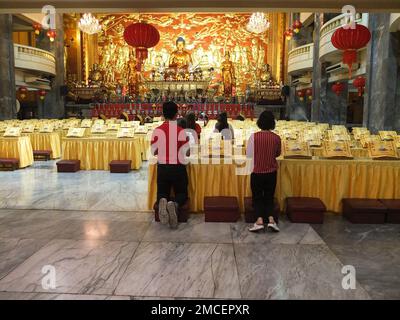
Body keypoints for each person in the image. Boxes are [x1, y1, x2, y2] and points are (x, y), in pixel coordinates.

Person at [151, 101, 190, 229]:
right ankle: (176, 204)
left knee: (162, 191)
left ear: (163, 113)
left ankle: (163, 200)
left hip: (162, 166)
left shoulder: (157, 130)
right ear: (176, 114)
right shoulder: (180, 131)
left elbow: (154, 151)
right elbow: (187, 152)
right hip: (177, 167)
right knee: (182, 193)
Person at [247, 111, 281, 233]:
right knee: (269, 197)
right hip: (271, 172)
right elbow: (278, 153)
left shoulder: (253, 137)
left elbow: (249, 154)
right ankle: (271, 220)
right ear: (272, 123)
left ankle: (259, 221)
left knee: (257, 197)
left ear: (259, 122)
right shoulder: (276, 138)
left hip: (257, 171)